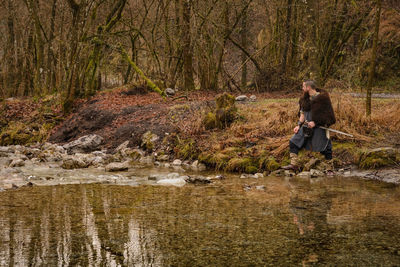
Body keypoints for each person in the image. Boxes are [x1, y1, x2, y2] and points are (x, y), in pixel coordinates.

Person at [282, 80, 336, 172]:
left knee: (325, 148)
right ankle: (293, 165)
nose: (302, 89)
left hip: (320, 127)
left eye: (303, 87)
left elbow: (329, 116)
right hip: (306, 127)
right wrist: (298, 125)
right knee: (293, 142)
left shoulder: (323, 99)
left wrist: (315, 122)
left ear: (308, 88)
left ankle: (330, 168)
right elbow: (302, 114)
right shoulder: (304, 99)